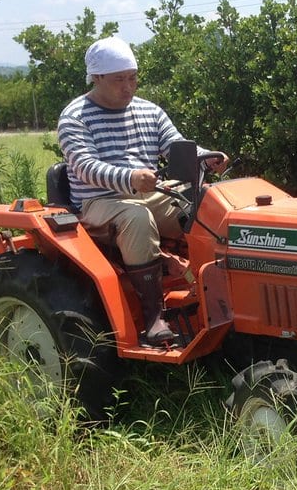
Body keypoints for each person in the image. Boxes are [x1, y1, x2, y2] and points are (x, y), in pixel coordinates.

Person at [57, 36, 228, 347]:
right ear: (96, 78)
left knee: (205, 206)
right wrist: (130, 177)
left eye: (133, 78)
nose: (128, 87)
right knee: (137, 217)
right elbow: (85, 166)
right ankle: (153, 318)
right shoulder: (75, 117)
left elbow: (176, 146)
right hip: (98, 201)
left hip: (145, 190)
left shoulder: (149, 111)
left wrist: (207, 155)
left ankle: (217, 293)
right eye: (119, 80)